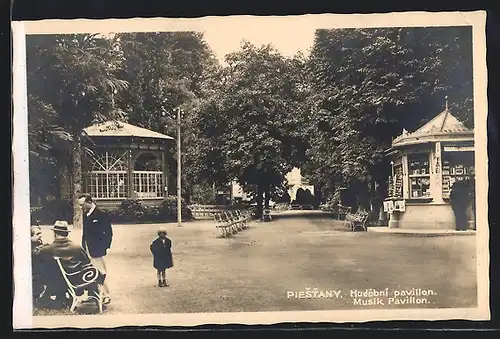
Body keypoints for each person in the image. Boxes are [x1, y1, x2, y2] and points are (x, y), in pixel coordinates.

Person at [36, 221, 93, 308]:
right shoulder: (77, 247)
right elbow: (87, 263)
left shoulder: (47, 249)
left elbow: (37, 259)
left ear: (54, 233)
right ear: (66, 233)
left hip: (56, 281)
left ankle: (53, 298)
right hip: (77, 281)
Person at [78, 194, 113, 304]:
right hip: (87, 249)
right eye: (80, 205)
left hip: (97, 249)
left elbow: (108, 233)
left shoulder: (101, 214)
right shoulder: (85, 214)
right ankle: (94, 295)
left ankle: (106, 295)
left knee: (100, 272)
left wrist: (104, 247)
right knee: (91, 272)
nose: (81, 207)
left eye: (82, 205)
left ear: (89, 202)